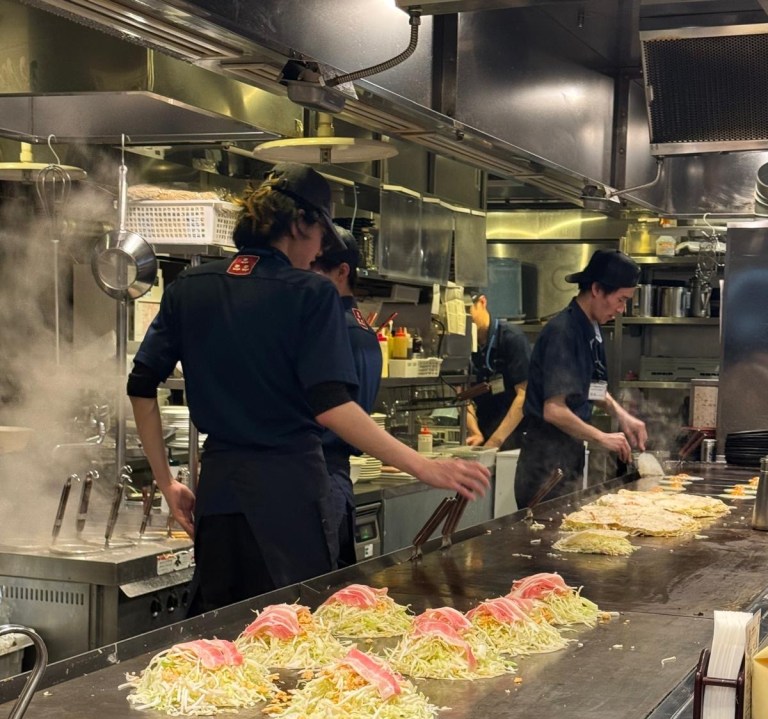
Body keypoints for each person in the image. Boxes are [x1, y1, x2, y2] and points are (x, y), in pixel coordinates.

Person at [127, 163, 489, 615]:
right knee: (293, 631)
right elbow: (332, 406)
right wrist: (424, 466)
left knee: (219, 632)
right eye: (321, 236)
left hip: (218, 497)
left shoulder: (189, 288)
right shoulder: (310, 293)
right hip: (290, 498)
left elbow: (140, 386)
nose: (319, 250)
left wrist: (166, 482)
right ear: (301, 224)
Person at [514, 249, 648, 509]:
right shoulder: (563, 332)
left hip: (569, 458)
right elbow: (554, 410)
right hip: (545, 464)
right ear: (597, 289)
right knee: (541, 532)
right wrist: (602, 437)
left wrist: (622, 415)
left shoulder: (592, 329)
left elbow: (594, 389)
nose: (621, 309)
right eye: (621, 300)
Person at [311, 227, 382, 568]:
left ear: (342, 272)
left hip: (323, 477)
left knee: (315, 589)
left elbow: (334, 411)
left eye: (317, 269)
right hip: (333, 478)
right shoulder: (359, 326)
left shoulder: (337, 328)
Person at [466, 293, 531, 451]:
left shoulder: (512, 338)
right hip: (485, 430)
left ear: (482, 302)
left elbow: (524, 395)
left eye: (467, 310)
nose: (463, 318)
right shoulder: (462, 342)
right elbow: (462, 395)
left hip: (518, 433)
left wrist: (495, 441)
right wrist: (475, 432)